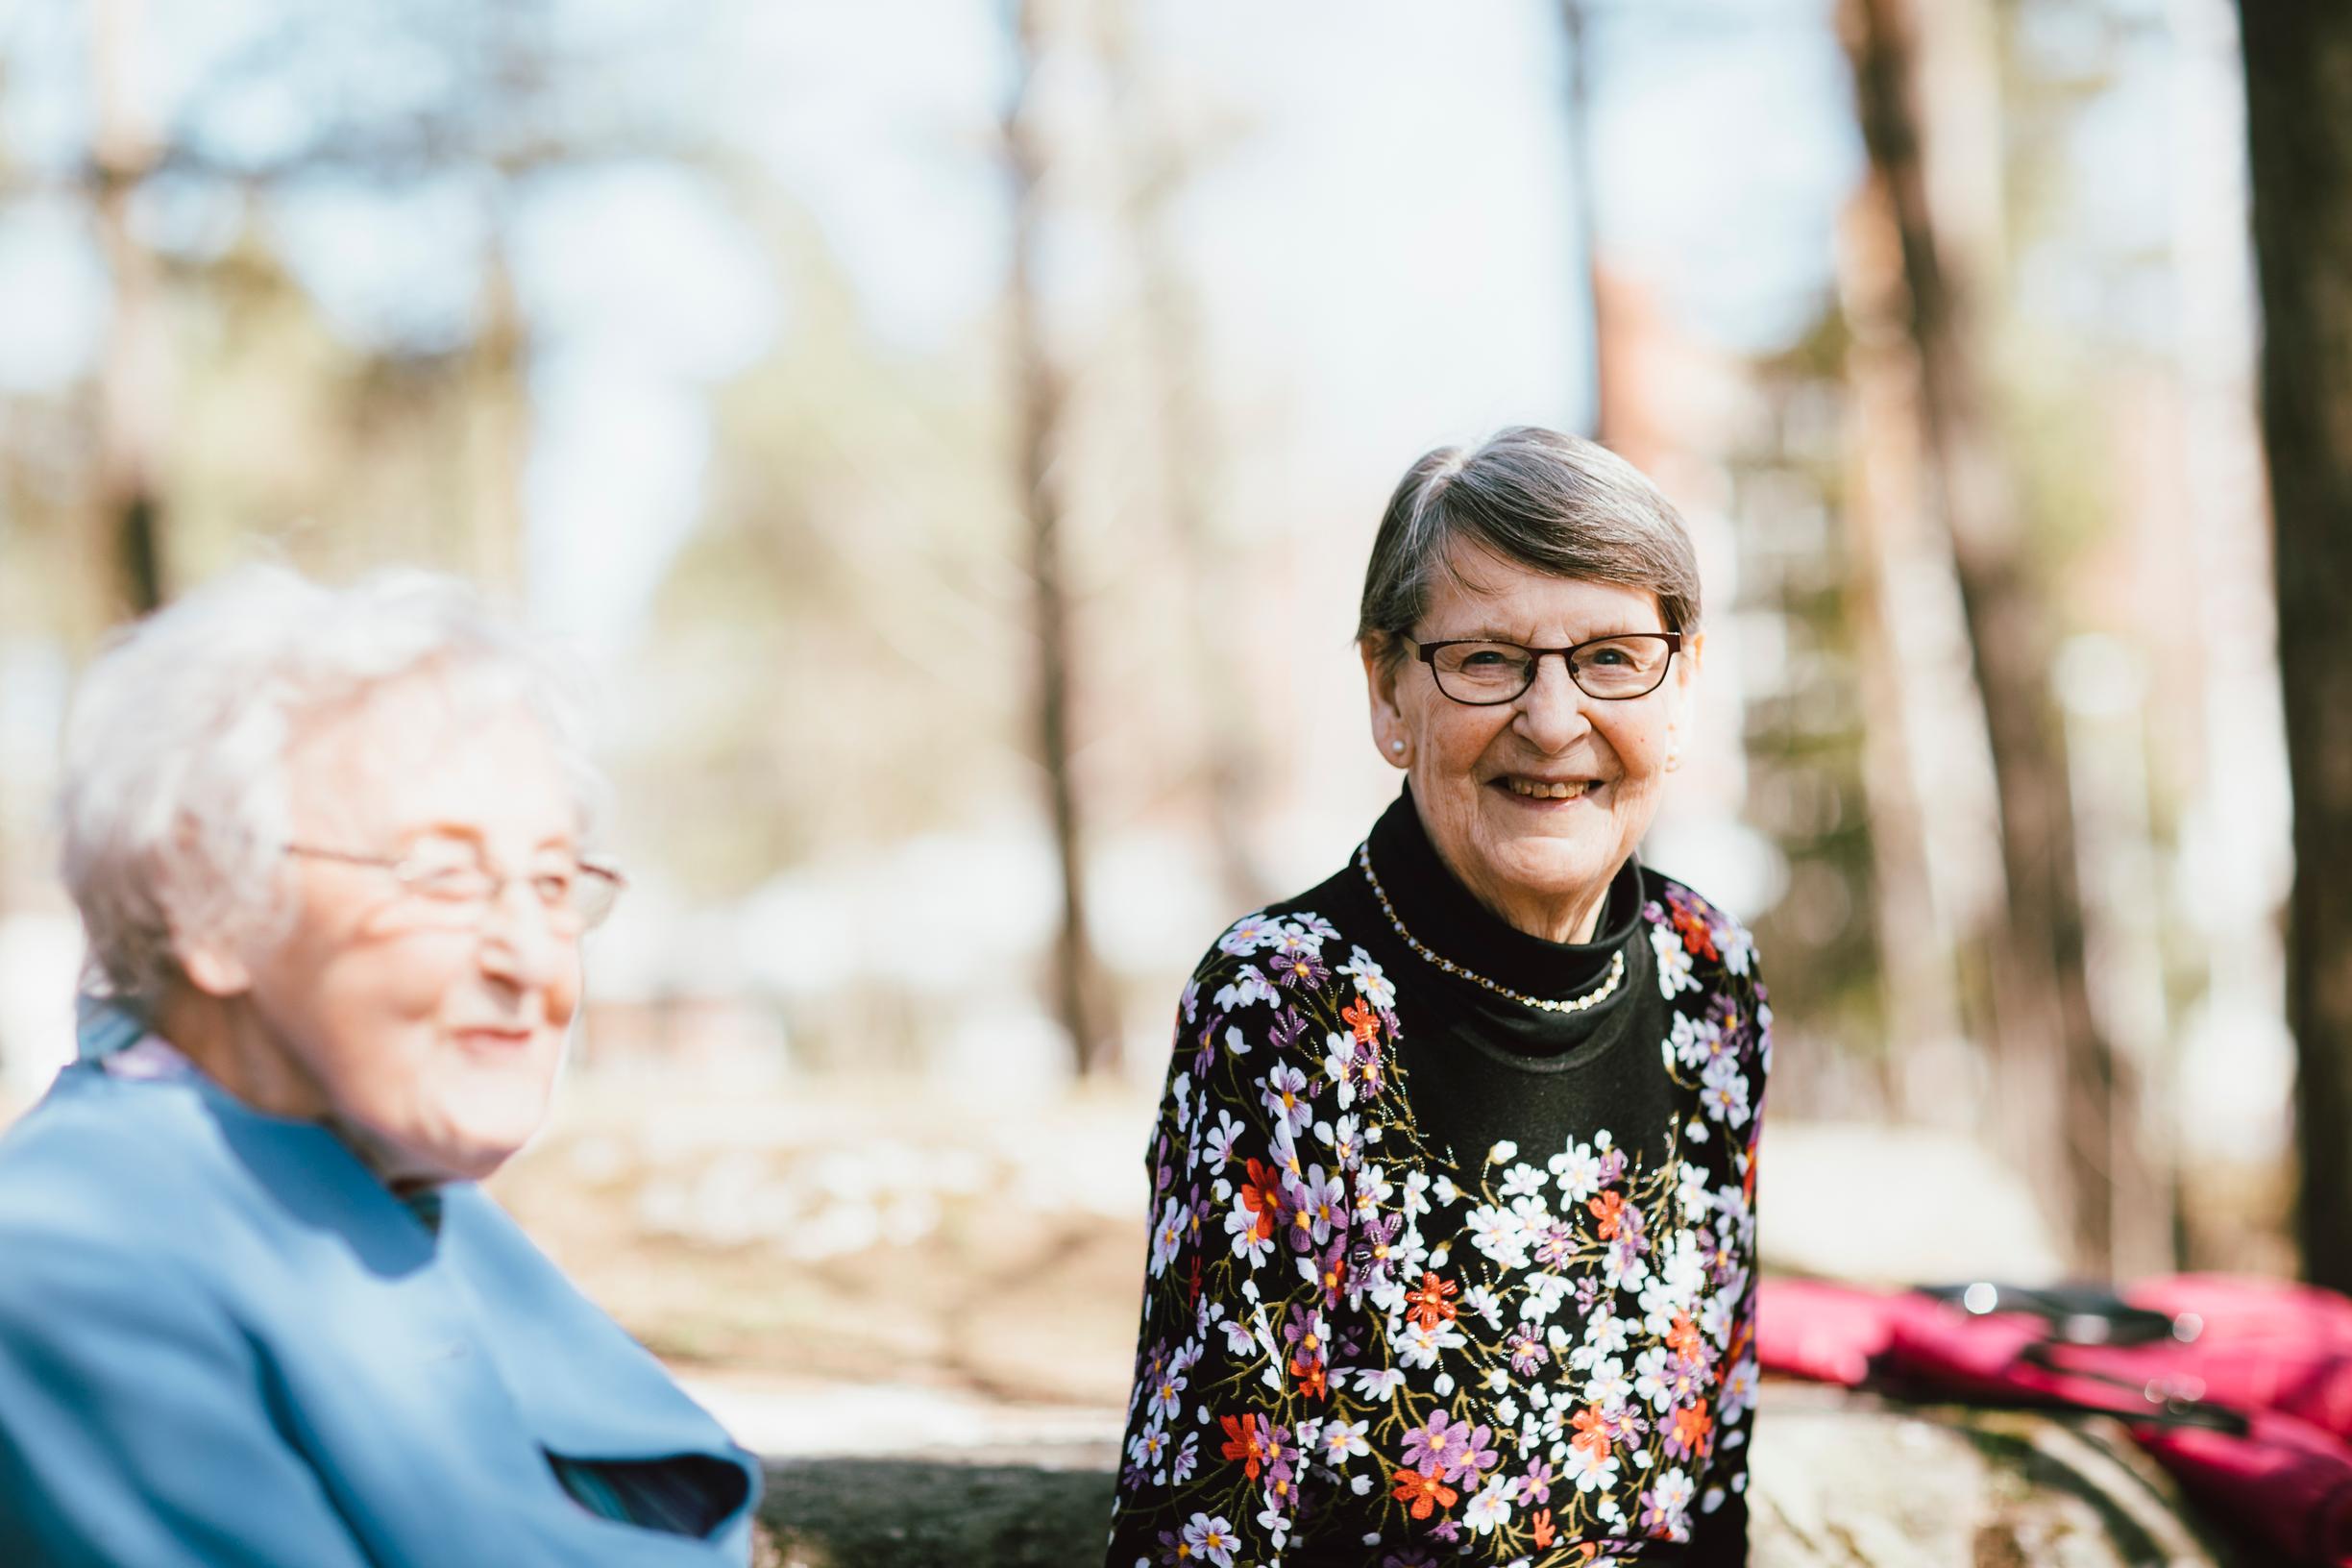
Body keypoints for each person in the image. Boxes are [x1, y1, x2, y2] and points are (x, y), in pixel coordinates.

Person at [0, 567, 762, 1566]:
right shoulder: (72, 1264)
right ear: (208, 900)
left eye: (550, 882)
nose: (531, 959)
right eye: (441, 875)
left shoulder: (392, 1190)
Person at [1106, 428, 1768, 1567]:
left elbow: (1711, 1469)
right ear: (1387, 690)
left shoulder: (1704, 969)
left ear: (1684, 685)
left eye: (1611, 656)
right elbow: (1203, 1530)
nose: (1554, 720)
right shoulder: (1289, 1007)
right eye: (1487, 660)